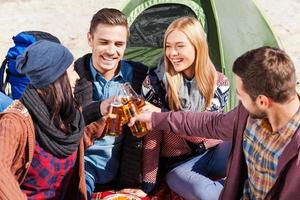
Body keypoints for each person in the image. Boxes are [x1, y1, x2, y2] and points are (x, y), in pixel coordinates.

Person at [131, 46, 300, 199]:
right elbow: (210, 124)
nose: (238, 101)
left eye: (240, 95)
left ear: (262, 102)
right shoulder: (248, 114)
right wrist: (155, 117)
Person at [0, 40, 107, 199]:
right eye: (71, 70)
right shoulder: (14, 122)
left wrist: (105, 123)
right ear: (54, 78)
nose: (77, 76)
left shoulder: (67, 114)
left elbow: (67, 146)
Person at [140, 17, 231, 199]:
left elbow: (205, 134)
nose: (172, 53)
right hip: (178, 164)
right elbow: (152, 138)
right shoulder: (153, 84)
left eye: (180, 46)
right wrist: (147, 185)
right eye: (168, 46)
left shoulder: (219, 82)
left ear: (197, 46)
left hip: (215, 152)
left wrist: (161, 115)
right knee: (203, 193)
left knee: (250, 148)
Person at [73, 8, 149, 198]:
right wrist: (98, 108)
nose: (111, 51)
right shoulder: (74, 76)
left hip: (123, 171)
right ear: (90, 39)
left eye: (118, 44)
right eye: (104, 42)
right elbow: (64, 126)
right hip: (83, 166)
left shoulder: (140, 76)